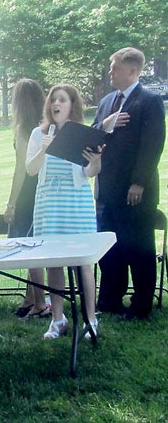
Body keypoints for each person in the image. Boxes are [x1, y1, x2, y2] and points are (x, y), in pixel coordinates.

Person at [93, 47, 166, 320]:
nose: (110, 72)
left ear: (132, 70)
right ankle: (110, 299)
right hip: (105, 191)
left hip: (135, 192)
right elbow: (92, 135)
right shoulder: (106, 102)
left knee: (138, 247)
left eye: (115, 67)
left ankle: (141, 304)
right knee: (109, 249)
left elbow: (152, 145)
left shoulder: (148, 101)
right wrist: (107, 123)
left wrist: (139, 182)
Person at [26, 85, 102, 340]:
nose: (56, 104)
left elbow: (89, 172)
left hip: (75, 203)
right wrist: (43, 148)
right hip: (48, 203)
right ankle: (58, 319)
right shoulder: (39, 133)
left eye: (62, 100)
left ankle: (91, 319)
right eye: (53, 100)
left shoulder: (81, 134)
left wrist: (95, 162)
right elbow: (31, 170)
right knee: (53, 262)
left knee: (83, 263)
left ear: (72, 105)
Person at [4, 79, 50, 319]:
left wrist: (11, 203)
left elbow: (20, 170)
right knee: (35, 244)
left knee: (29, 247)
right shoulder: (45, 126)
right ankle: (30, 296)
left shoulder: (24, 130)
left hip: (28, 193)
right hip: (43, 189)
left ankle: (40, 301)